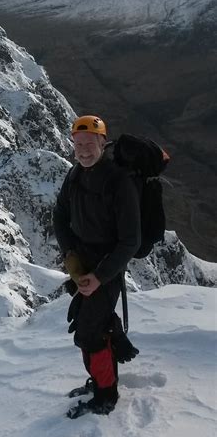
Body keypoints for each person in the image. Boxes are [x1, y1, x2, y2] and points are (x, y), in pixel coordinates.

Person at [53, 115, 141, 418]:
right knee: (88, 322)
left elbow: (130, 241)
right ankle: (107, 362)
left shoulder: (119, 182)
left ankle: (106, 393)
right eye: (78, 145)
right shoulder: (75, 175)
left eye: (89, 144)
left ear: (103, 143)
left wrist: (99, 276)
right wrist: (71, 257)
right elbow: (60, 214)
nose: (84, 150)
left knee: (88, 333)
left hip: (107, 268)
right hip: (85, 264)